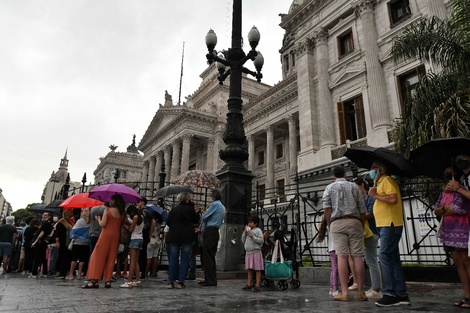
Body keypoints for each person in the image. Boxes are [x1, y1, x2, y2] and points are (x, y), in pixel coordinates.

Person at [368, 160, 411, 307]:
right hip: (384, 224)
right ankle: (401, 294)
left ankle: (390, 293)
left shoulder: (387, 180)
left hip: (390, 224)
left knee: (384, 255)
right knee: (392, 257)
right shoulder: (379, 183)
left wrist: (375, 196)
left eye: (374, 168)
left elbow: (393, 199)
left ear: (380, 169)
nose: (371, 170)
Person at [323, 166, 367, 301]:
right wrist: (361, 222)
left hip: (337, 223)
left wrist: (330, 224)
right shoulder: (354, 187)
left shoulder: (329, 188)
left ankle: (344, 293)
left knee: (341, 257)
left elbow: (326, 208)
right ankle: (360, 291)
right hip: (355, 221)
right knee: (358, 256)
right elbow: (362, 207)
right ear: (346, 174)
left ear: (333, 176)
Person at [83, 194, 125, 289]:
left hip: (106, 235)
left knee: (97, 256)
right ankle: (108, 280)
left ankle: (94, 280)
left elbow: (103, 224)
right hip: (116, 236)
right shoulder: (122, 213)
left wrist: (98, 219)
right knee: (111, 258)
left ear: (114, 201)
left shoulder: (108, 210)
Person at [166, 192, 200, 289]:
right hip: (187, 236)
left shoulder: (174, 209)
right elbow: (196, 221)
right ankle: (180, 282)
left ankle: (170, 281)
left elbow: (168, 223)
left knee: (173, 259)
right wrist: (196, 212)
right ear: (186, 199)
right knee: (185, 259)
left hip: (174, 236)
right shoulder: (190, 209)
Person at [355, 177, 382, 299]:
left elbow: (371, 213)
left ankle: (376, 289)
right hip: (364, 232)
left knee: (371, 260)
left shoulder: (370, 197)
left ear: (362, 185)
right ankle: (375, 287)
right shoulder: (361, 198)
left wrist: (360, 215)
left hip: (371, 231)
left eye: (357, 187)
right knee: (369, 259)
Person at [199, 188, 226, 287]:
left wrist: (206, 211)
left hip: (210, 230)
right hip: (215, 231)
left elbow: (204, 216)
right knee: (211, 256)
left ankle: (210, 280)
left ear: (213, 196)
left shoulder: (214, 205)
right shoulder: (222, 206)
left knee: (207, 256)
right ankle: (210, 278)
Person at [120, 205, 144, 288]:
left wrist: (124, 226)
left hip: (134, 239)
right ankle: (138, 281)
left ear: (132, 212)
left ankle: (129, 281)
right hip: (140, 238)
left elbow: (131, 230)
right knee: (136, 261)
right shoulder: (141, 216)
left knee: (132, 262)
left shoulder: (135, 217)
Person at [317, 217, 339, 296]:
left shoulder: (328, 224)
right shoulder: (333, 224)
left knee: (334, 268)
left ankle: (332, 287)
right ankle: (334, 288)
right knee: (335, 268)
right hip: (335, 247)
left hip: (332, 248)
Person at [241, 214, 264, 292]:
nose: (249, 224)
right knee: (249, 269)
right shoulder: (248, 230)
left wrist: (253, 237)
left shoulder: (258, 230)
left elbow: (261, 240)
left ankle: (257, 284)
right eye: (248, 222)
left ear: (256, 223)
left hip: (256, 252)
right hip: (248, 252)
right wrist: (244, 233)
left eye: (251, 222)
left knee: (257, 269)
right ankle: (249, 284)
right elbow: (242, 240)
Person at [66, 211, 90, 279]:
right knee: (82, 259)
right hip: (86, 242)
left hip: (77, 242)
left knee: (74, 258)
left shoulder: (79, 221)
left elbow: (73, 231)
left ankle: (71, 274)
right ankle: (79, 274)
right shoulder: (89, 222)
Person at [30, 212, 53, 278]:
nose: (44, 216)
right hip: (44, 242)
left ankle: (34, 273)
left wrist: (35, 242)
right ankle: (44, 272)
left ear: (49, 217)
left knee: (37, 257)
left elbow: (42, 233)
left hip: (40, 242)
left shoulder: (45, 224)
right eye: (43, 215)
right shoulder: (48, 224)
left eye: (46, 215)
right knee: (43, 257)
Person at [55, 210, 75, 279]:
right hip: (62, 241)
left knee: (67, 257)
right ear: (67, 213)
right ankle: (58, 271)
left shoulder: (71, 221)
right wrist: (57, 241)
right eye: (71, 212)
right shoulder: (61, 221)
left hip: (69, 241)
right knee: (60, 256)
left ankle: (64, 271)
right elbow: (57, 232)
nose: (72, 213)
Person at [146, 212, 162, 279]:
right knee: (155, 257)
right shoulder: (159, 223)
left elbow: (151, 231)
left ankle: (146, 272)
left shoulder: (153, 221)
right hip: (157, 241)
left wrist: (149, 236)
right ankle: (154, 272)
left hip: (151, 240)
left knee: (149, 257)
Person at [46, 213, 61, 277]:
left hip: (52, 243)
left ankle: (51, 269)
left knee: (52, 257)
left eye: (56, 216)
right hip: (53, 243)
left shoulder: (55, 225)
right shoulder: (55, 225)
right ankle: (51, 270)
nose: (55, 218)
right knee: (53, 257)